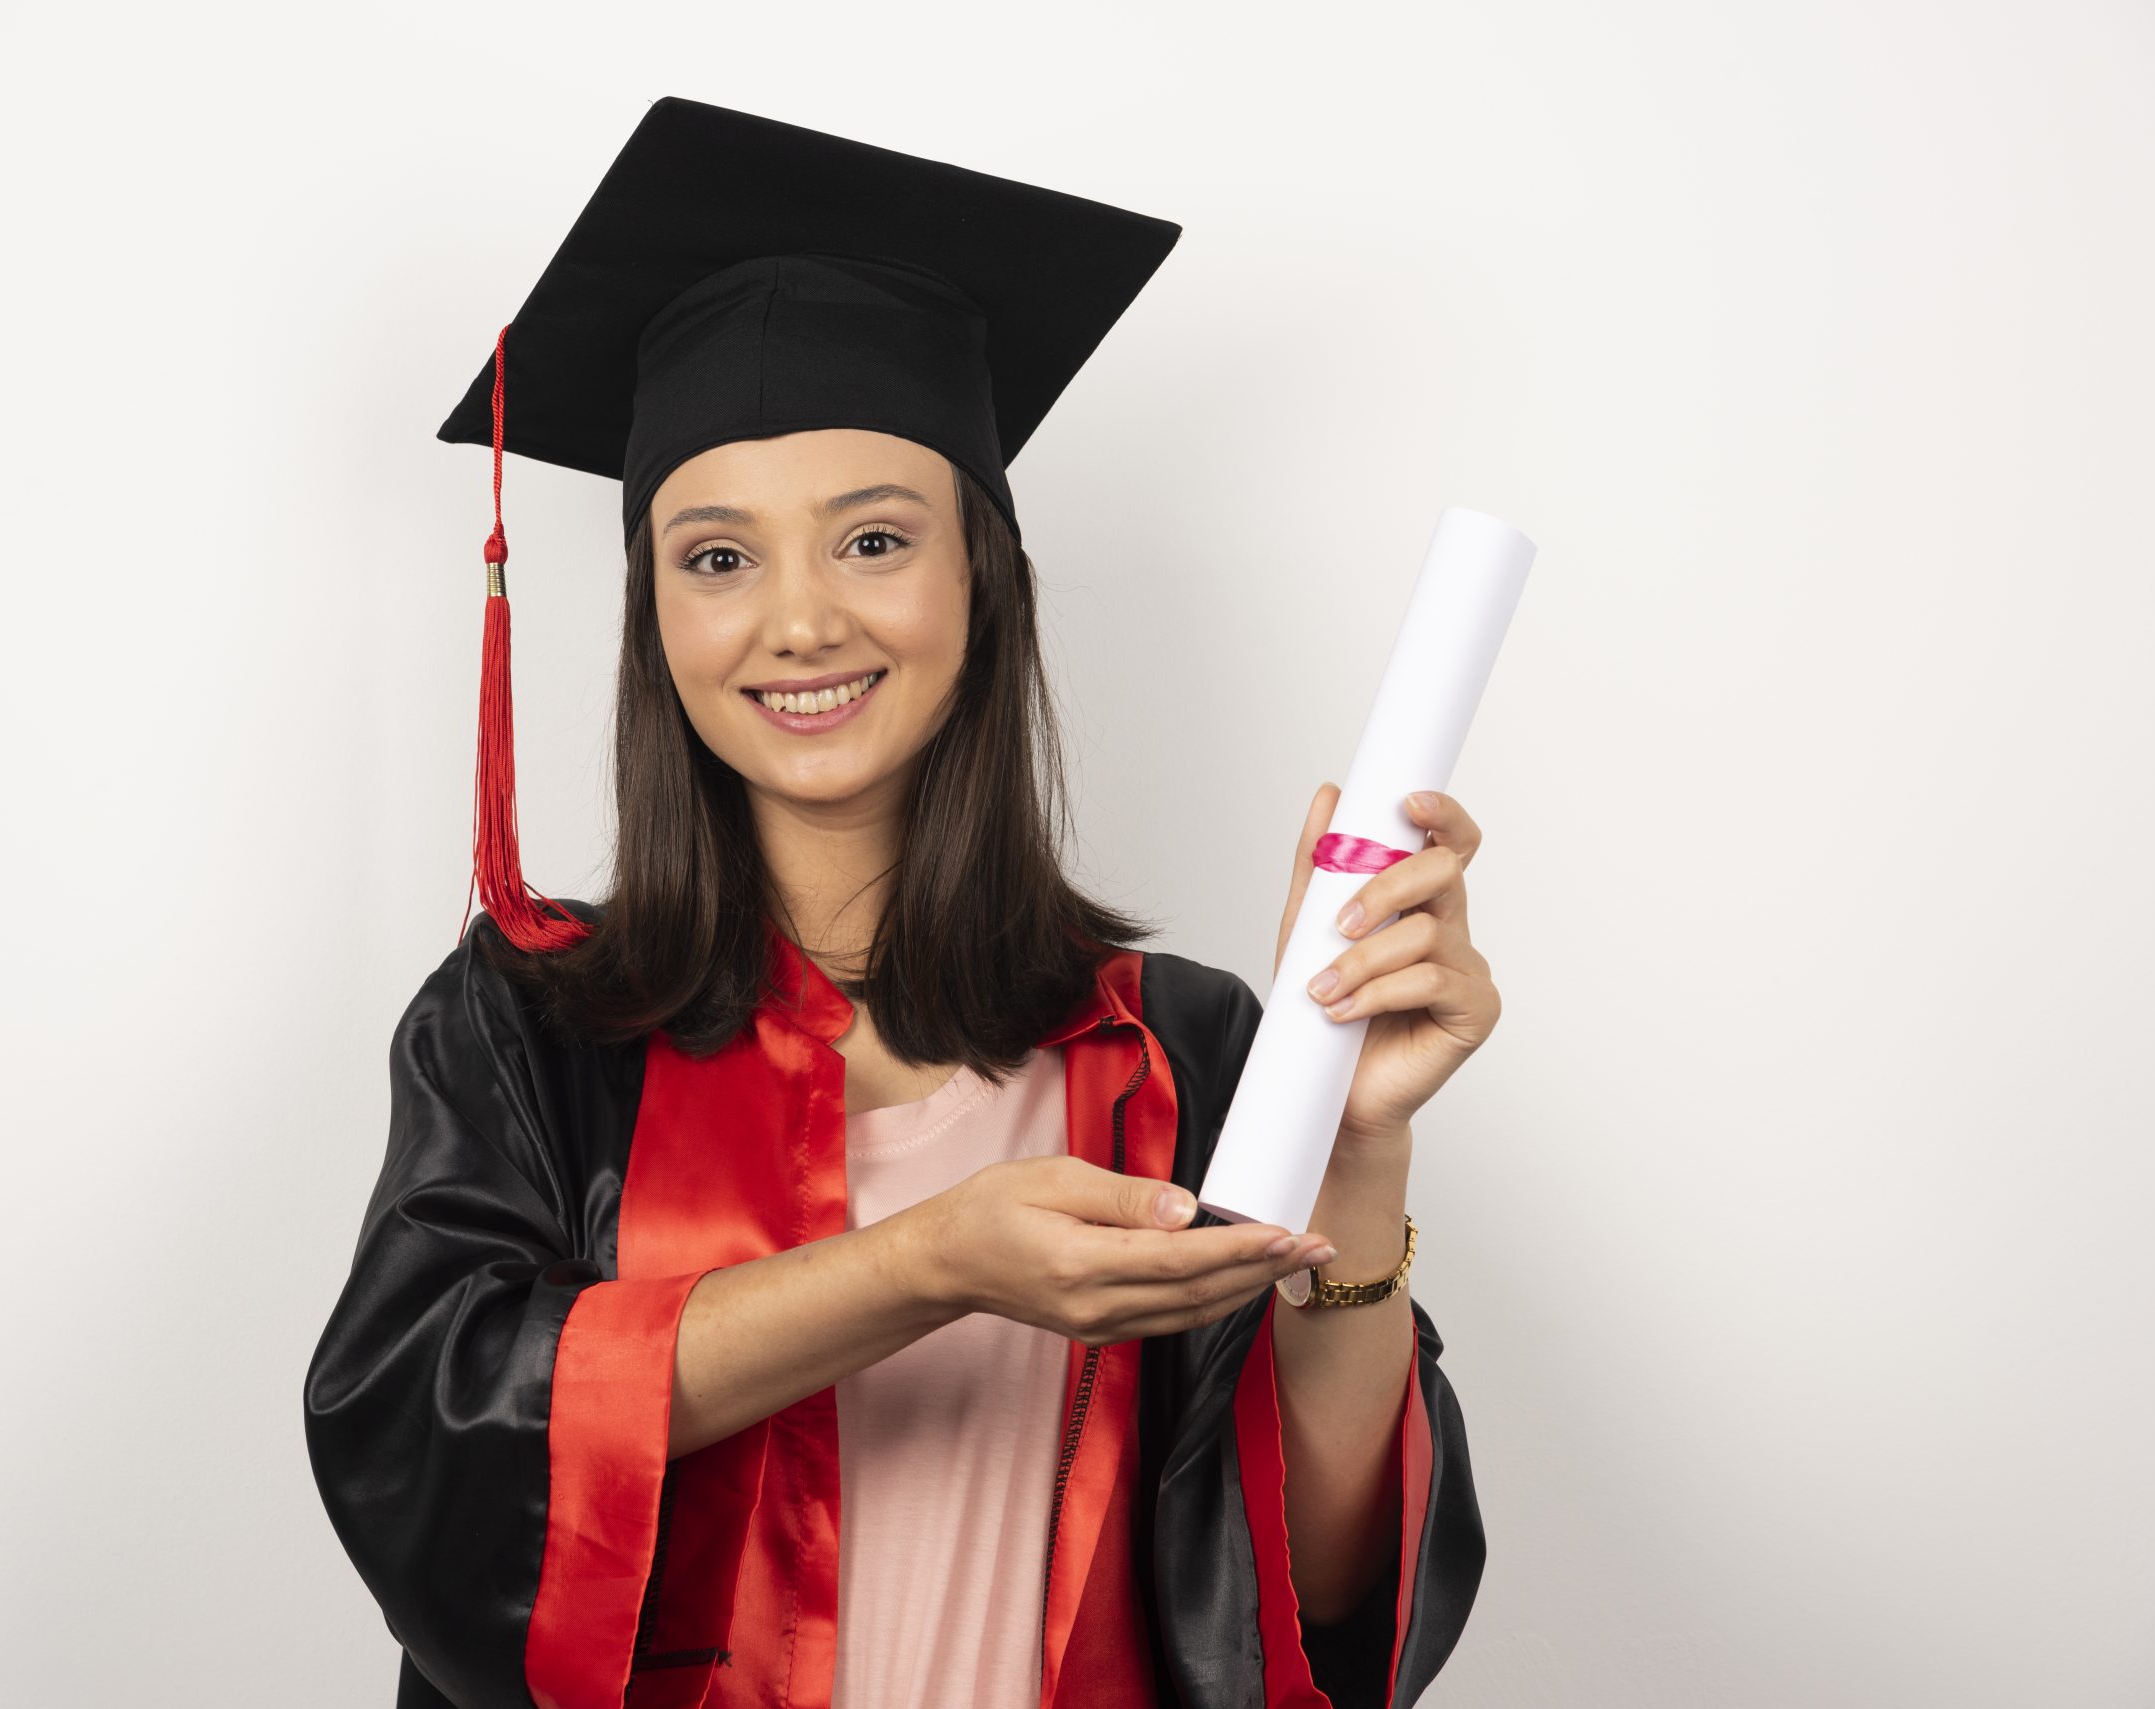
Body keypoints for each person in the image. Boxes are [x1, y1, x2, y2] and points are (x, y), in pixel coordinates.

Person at [304, 97, 1493, 1709]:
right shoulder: (531, 1027)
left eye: (873, 538)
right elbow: (420, 1446)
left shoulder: (1183, 1051)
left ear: (977, 577)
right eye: (715, 559)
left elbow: (1330, 1608)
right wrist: (929, 1263)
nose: (797, 620)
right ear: (655, 615)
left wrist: (1355, 1145)